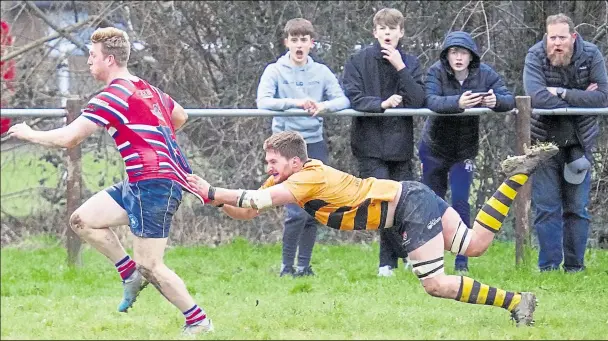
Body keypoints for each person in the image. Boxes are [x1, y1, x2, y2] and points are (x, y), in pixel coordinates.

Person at [187, 130, 560, 326]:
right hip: (409, 197)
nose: (268, 168)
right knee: (475, 244)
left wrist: (213, 189)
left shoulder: (306, 177)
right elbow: (247, 211)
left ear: (295, 161)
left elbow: (255, 202)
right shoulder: (287, 179)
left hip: (407, 206)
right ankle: (516, 179)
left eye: (273, 162)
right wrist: (213, 198)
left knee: (435, 283)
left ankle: (515, 303)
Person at [7, 27, 213, 335]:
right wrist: (152, 140)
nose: (88, 61)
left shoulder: (112, 95)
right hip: (140, 181)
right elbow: (179, 115)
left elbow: (70, 137)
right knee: (82, 220)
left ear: (110, 59)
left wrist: (28, 133)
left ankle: (199, 321)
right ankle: (128, 273)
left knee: (152, 265)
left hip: (154, 184)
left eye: (92, 55)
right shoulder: (147, 89)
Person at [257, 18, 350, 277]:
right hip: (285, 147)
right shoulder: (274, 70)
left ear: (312, 43)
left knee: (312, 211)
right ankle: (286, 267)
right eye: (294, 40)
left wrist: (324, 107)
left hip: (314, 145)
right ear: (287, 42)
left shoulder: (321, 72)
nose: (299, 45)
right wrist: (295, 104)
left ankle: (304, 267)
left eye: (304, 40)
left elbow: (342, 99)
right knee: (295, 212)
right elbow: (263, 101)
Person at [422, 31, 516, 272]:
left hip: (464, 150)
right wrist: (458, 103)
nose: (459, 57)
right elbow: (430, 100)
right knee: (433, 203)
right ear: (447, 55)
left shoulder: (484, 73)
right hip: (434, 148)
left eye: (463, 52)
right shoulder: (436, 71)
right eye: (454, 52)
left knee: (462, 201)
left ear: (471, 56)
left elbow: (510, 99)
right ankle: (432, 258)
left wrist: (496, 103)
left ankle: (462, 260)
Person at [341, 8, 425, 277]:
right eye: (383, 28)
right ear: (374, 32)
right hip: (369, 145)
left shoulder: (410, 62)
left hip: (400, 147)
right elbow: (354, 97)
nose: (388, 33)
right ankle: (401, 256)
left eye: (393, 28)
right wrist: (381, 104)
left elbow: (418, 99)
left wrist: (400, 67)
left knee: (402, 203)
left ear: (401, 32)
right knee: (382, 203)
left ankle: (388, 263)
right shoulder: (358, 60)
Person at [523, 13, 608, 272]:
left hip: (579, 144)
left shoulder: (591, 55)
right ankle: (548, 268)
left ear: (573, 37)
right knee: (546, 207)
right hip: (544, 143)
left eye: (562, 37)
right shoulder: (535, 55)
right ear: (546, 37)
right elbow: (536, 98)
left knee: (576, 208)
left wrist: (561, 93)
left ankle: (575, 268)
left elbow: (603, 97)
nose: (556, 43)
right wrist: (581, 98)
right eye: (552, 38)